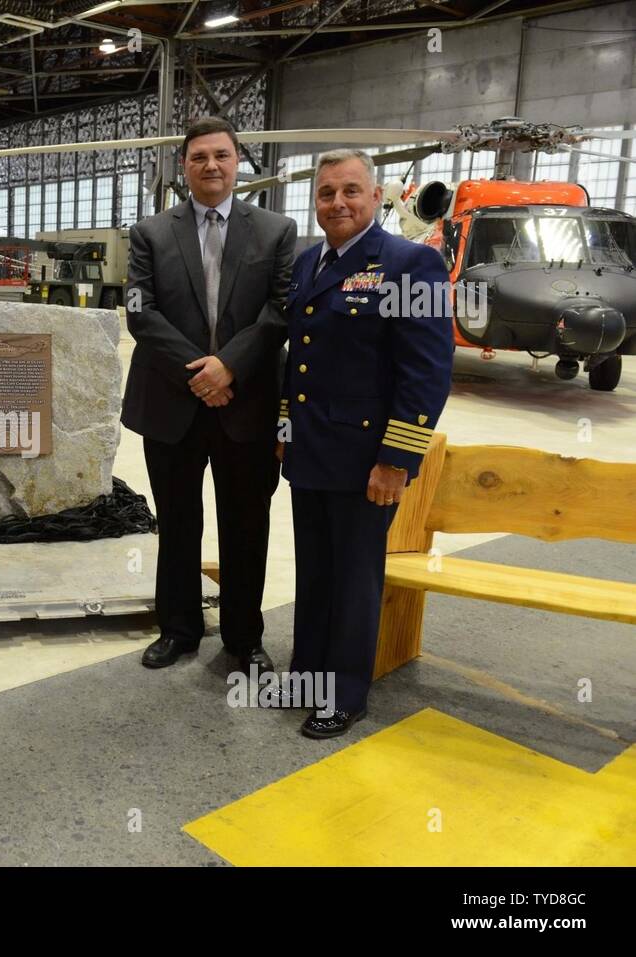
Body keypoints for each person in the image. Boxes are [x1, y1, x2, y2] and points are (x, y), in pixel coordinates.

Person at [278, 148, 453, 738]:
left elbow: (427, 374)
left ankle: (345, 693)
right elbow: (296, 359)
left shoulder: (411, 264)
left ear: (377, 198)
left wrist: (396, 461)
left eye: (351, 190)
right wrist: (285, 429)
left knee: (355, 577)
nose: (338, 203)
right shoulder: (309, 263)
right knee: (316, 572)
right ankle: (307, 675)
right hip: (311, 453)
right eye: (327, 193)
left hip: (367, 461)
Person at [122, 116, 297, 676]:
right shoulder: (150, 233)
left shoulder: (275, 230)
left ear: (238, 161)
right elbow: (138, 311)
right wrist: (199, 371)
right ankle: (179, 628)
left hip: (245, 404)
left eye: (221, 155)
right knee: (177, 522)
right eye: (199, 157)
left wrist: (230, 368)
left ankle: (245, 638)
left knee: (247, 525)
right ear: (184, 167)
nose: (212, 166)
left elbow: (281, 310)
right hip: (172, 403)